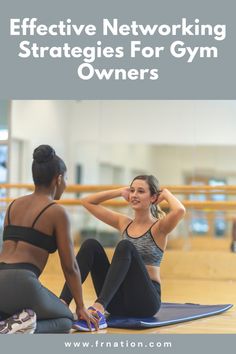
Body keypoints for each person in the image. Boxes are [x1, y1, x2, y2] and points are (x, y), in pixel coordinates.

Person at [60, 175, 186, 331]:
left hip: (145, 302)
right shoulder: (124, 223)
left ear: (153, 197)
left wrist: (166, 193)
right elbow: (87, 201)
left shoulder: (159, 228)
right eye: (132, 190)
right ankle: (62, 304)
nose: (134, 195)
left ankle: (98, 309)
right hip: (118, 302)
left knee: (125, 246)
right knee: (90, 245)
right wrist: (120, 192)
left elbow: (180, 210)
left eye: (141, 191)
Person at [0, 145, 98, 334]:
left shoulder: (13, 205)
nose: (66, 184)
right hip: (23, 281)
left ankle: (8, 326)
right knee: (65, 319)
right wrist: (80, 306)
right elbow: (70, 266)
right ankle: (16, 330)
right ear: (58, 178)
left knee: (10, 313)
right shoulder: (56, 211)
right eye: (66, 179)